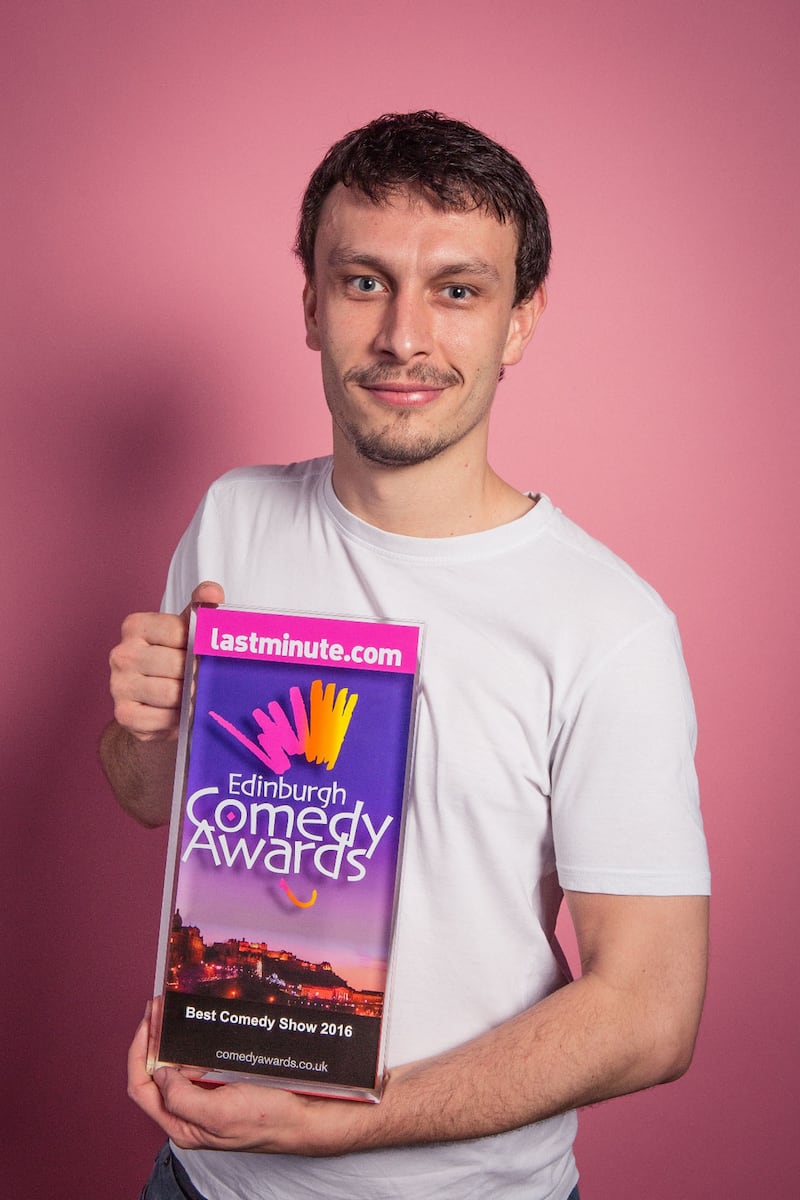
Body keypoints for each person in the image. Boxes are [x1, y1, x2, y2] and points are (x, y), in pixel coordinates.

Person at [101, 111, 710, 1200]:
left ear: (519, 322)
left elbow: (650, 1017)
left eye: (459, 291)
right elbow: (154, 799)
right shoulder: (233, 518)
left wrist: (347, 1126)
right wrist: (146, 726)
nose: (403, 337)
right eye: (365, 282)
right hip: (200, 1180)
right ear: (310, 304)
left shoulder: (606, 626)